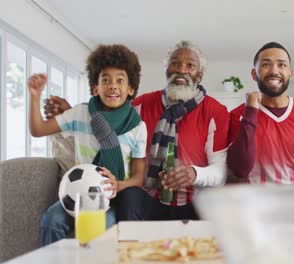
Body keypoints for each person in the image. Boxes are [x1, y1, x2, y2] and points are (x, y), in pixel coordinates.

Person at [44, 40, 230, 221]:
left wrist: (194, 173)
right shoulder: (142, 104)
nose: (181, 70)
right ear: (166, 70)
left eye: (190, 65)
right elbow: (106, 126)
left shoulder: (215, 111)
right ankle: (128, 248)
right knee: (130, 194)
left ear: (200, 75)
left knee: (217, 205)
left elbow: (220, 173)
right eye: (175, 63)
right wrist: (72, 114)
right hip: (148, 198)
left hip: (194, 202)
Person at [29, 44, 147, 246]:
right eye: (105, 80)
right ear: (95, 87)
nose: (112, 85)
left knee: (103, 231)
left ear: (131, 89)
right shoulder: (80, 113)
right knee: (51, 221)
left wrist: (120, 185)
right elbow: (38, 129)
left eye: (120, 80)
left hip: (109, 199)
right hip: (77, 194)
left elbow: (138, 176)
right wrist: (35, 96)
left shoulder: (137, 127)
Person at [227, 42, 294, 183]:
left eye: (282, 65)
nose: (274, 71)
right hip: (256, 202)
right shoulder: (238, 115)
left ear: (290, 73)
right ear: (254, 74)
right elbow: (240, 169)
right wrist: (250, 113)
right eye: (266, 64)